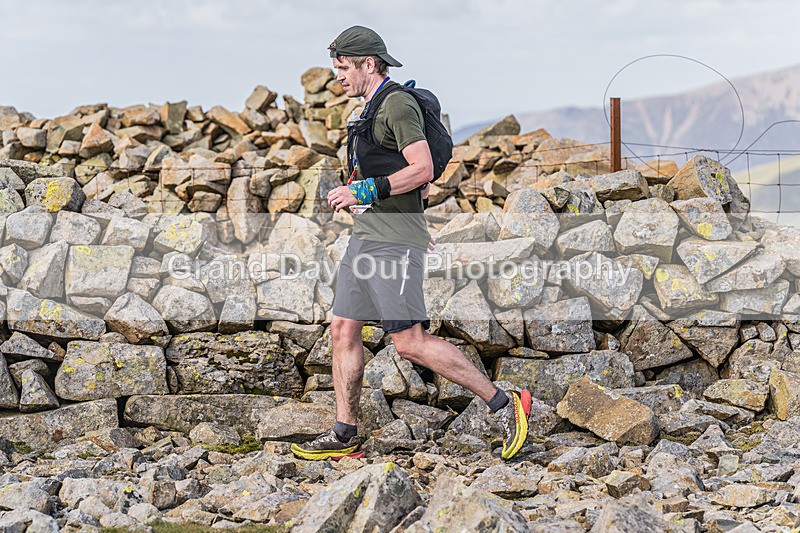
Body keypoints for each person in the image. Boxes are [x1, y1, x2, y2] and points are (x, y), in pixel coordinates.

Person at [290, 25, 530, 462]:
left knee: (409, 341)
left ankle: (506, 403)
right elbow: (401, 177)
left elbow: (422, 169)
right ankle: (345, 434)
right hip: (368, 237)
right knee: (343, 330)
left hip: (394, 243)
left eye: (344, 68)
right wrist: (359, 191)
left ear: (369, 64)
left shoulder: (397, 104)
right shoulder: (368, 109)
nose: (338, 77)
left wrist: (365, 193)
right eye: (335, 68)